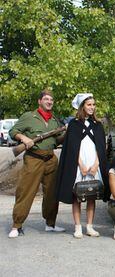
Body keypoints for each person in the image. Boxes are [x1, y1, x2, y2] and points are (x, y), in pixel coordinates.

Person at [8, 90, 65, 238]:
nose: (49, 102)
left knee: (52, 194)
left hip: (51, 159)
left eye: (51, 100)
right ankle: (16, 225)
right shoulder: (29, 116)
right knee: (25, 192)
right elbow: (13, 131)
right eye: (46, 99)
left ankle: (50, 224)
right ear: (39, 101)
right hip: (34, 158)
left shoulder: (55, 120)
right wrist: (23, 138)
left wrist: (67, 133)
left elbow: (57, 140)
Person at [55, 93, 109, 238]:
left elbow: (101, 147)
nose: (92, 107)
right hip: (79, 164)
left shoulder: (98, 125)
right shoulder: (73, 124)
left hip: (93, 163)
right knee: (77, 196)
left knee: (92, 195)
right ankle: (78, 227)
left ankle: (89, 226)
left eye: (93, 104)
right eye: (89, 104)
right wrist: (81, 165)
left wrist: (96, 163)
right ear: (82, 106)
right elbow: (72, 148)